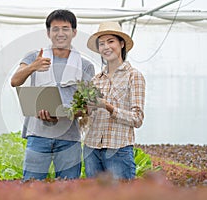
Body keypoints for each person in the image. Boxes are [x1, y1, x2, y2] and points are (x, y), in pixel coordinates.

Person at [10, 9, 95, 181]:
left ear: (74, 32)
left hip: (69, 138)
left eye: (65, 28)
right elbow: (15, 81)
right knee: (31, 186)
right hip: (38, 136)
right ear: (48, 33)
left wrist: (63, 114)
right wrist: (33, 66)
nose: (60, 33)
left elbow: (88, 106)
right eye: (55, 29)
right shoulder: (35, 57)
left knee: (68, 189)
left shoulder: (85, 65)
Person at [83, 21, 146, 180]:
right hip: (91, 149)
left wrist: (109, 107)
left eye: (110, 41)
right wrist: (83, 110)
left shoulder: (134, 76)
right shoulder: (96, 80)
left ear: (122, 44)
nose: (106, 47)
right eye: (101, 44)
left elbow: (137, 119)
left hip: (118, 150)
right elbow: (88, 117)